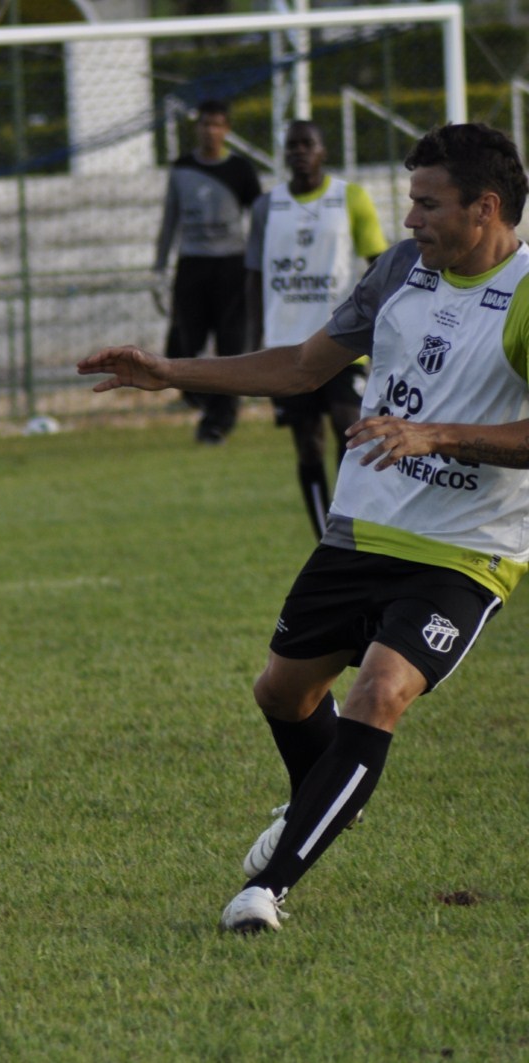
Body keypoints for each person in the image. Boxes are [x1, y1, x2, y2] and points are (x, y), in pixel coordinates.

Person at [78, 122, 529, 933]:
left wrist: (435, 434)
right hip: (362, 527)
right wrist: (169, 371)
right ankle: (331, 798)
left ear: (485, 207)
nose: (411, 220)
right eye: (410, 202)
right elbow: (301, 366)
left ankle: (267, 887)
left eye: (428, 204)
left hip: (467, 550)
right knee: (282, 692)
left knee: (381, 690)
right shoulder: (400, 270)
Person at [245, 119, 389, 536]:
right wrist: (253, 340)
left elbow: (377, 267)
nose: (299, 152)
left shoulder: (351, 198)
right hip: (286, 348)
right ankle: (323, 536)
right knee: (307, 443)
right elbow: (252, 277)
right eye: (291, 145)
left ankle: (359, 527)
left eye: (307, 144)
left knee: (353, 435)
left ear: (324, 151)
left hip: (341, 342)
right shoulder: (266, 207)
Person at [154, 99, 263, 443]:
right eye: (204, 124)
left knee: (232, 348)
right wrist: (158, 269)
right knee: (185, 343)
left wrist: (259, 267)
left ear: (226, 130)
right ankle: (198, 399)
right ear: (196, 128)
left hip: (232, 265)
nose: (210, 131)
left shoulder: (241, 170)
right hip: (192, 264)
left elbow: (258, 221)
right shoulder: (181, 168)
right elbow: (169, 220)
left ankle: (219, 422)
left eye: (217, 124)